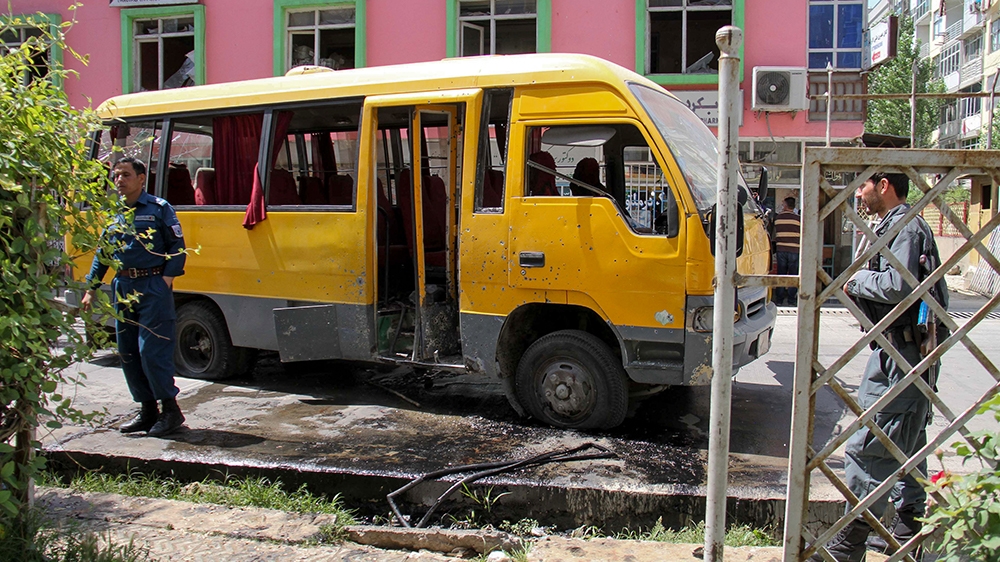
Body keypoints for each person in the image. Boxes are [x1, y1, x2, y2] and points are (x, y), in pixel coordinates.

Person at [811, 173, 948, 561]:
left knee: (870, 443)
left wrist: (854, 280)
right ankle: (906, 532)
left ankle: (847, 544)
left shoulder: (905, 225)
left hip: (899, 354)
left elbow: (899, 286)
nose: (858, 196)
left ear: (883, 184)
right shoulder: (902, 223)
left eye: (861, 187)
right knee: (908, 442)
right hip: (905, 351)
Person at [81, 157, 188, 437]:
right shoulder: (115, 212)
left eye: (126, 175)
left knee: (151, 351)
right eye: (116, 175)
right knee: (128, 352)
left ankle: (171, 410)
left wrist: (165, 279)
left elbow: (178, 246)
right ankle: (147, 411)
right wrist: (91, 288)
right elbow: (103, 253)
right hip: (123, 286)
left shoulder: (159, 209)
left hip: (152, 286)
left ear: (142, 179)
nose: (119, 180)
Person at [773, 196, 801, 306]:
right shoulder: (798, 219)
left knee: (781, 274)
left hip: (781, 249)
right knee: (793, 275)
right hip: (794, 249)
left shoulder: (778, 218)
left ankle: (779, 299)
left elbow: (775, 233)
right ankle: (791, 300)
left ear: (785, 205)